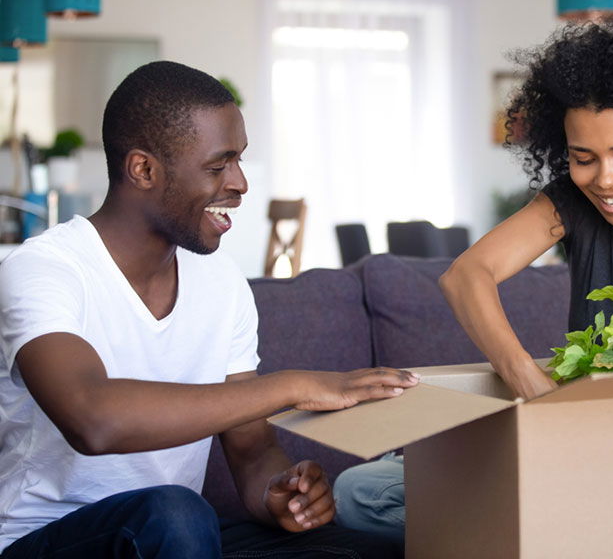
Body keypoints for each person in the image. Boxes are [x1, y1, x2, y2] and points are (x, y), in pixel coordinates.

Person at [332, 19, 613, 538]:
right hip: (576, 448)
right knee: (358, 492)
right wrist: (532, 388)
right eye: (583, 158)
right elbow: (466, 275)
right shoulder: (573, 202)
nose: (606, 179)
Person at [0, 61, 418, 558]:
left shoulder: (219, 281)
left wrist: (277, 494)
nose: (240, 183)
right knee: (176, 515)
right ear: (144, 169)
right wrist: (294, 385)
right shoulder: (43, 269)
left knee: (364, 549)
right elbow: (93, 418)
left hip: (181, 538)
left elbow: (251, 451)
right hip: (51, 538)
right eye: (219, 166)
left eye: (239, 161)